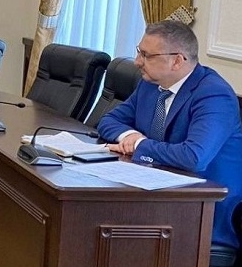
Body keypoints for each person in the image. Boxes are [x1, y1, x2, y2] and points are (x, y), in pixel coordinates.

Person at [98, 20, 242, 251]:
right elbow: (108, 121)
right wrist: (130, 135)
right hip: (157, 196)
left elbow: (194, 157)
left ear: (177, 60)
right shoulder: (150, 85)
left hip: (203, 216)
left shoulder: (214, 95)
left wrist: (139, 144)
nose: (137, 62)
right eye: (139, 52)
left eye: (147, 55)